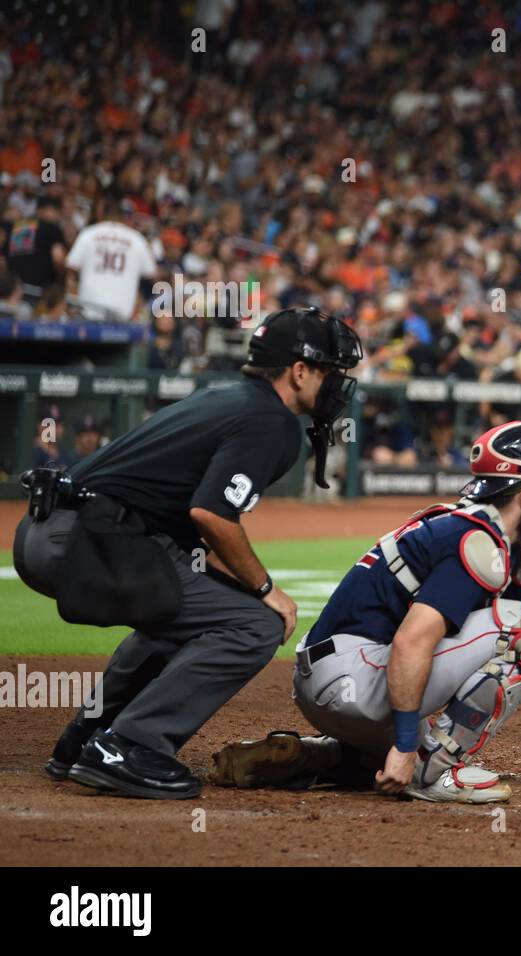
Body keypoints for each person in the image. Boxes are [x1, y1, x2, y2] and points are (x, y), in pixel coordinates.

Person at [211, 421, 521, 802]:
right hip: (354, 681)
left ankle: (320, 755)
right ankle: (435, 770)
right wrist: (409, 746)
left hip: (334, 679)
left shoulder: (475, 529)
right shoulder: (478, 543)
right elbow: (413, 641)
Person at [12, 306, 362, 799]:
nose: (336, 385)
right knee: (255, 624)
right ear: (300, 370)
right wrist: (267, 591)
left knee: (196, 609)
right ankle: (131, 746)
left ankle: (85, 740)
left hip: (55, 531)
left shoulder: (228, 397)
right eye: (330, 371)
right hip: (90, 540)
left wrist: (243, 585)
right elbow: (212, 516)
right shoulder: (271, 421)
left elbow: (199, 530)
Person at [65, 199, 158, 321]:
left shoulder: (89, 233)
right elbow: (152, 274)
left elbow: (71, 266)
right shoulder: (137, 239)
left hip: (89, 310)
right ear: (122, 217)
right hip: (122, 313)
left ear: (102, 214)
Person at [3, 195, 66, 294]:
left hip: (13, 288)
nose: (59, 218)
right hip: (40, 289)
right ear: (50, 209)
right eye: (59, 213)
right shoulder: (53, 228)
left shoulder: (19, 226)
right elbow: (58, 257)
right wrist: (62, 279)